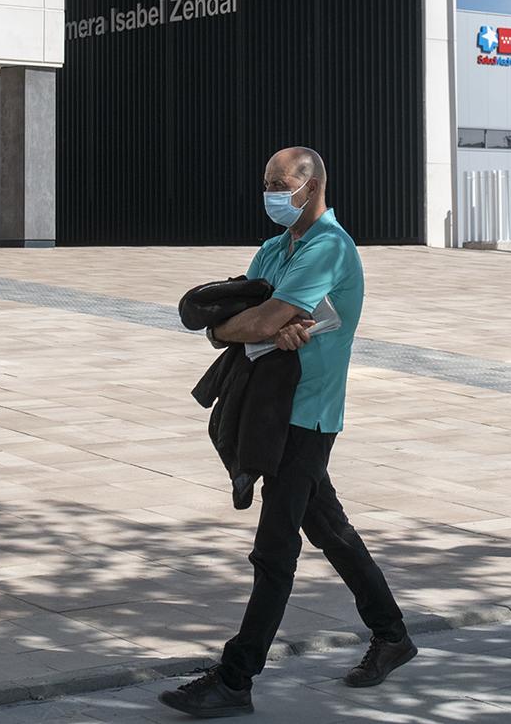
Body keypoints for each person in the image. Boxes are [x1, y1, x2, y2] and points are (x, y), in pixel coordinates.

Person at [160, 148, 414, 719]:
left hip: (309, 413)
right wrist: (245, 325)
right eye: (267, 184)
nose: (272, 194)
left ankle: (236, 677)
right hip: (275, 409)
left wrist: (248, 324)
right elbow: (233, 318)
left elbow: (257, 319)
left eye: (281, 184)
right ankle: (392, 634)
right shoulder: (276, 248)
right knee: (330, 528)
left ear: (312, 186)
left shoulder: (328, 248)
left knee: (275, 548)